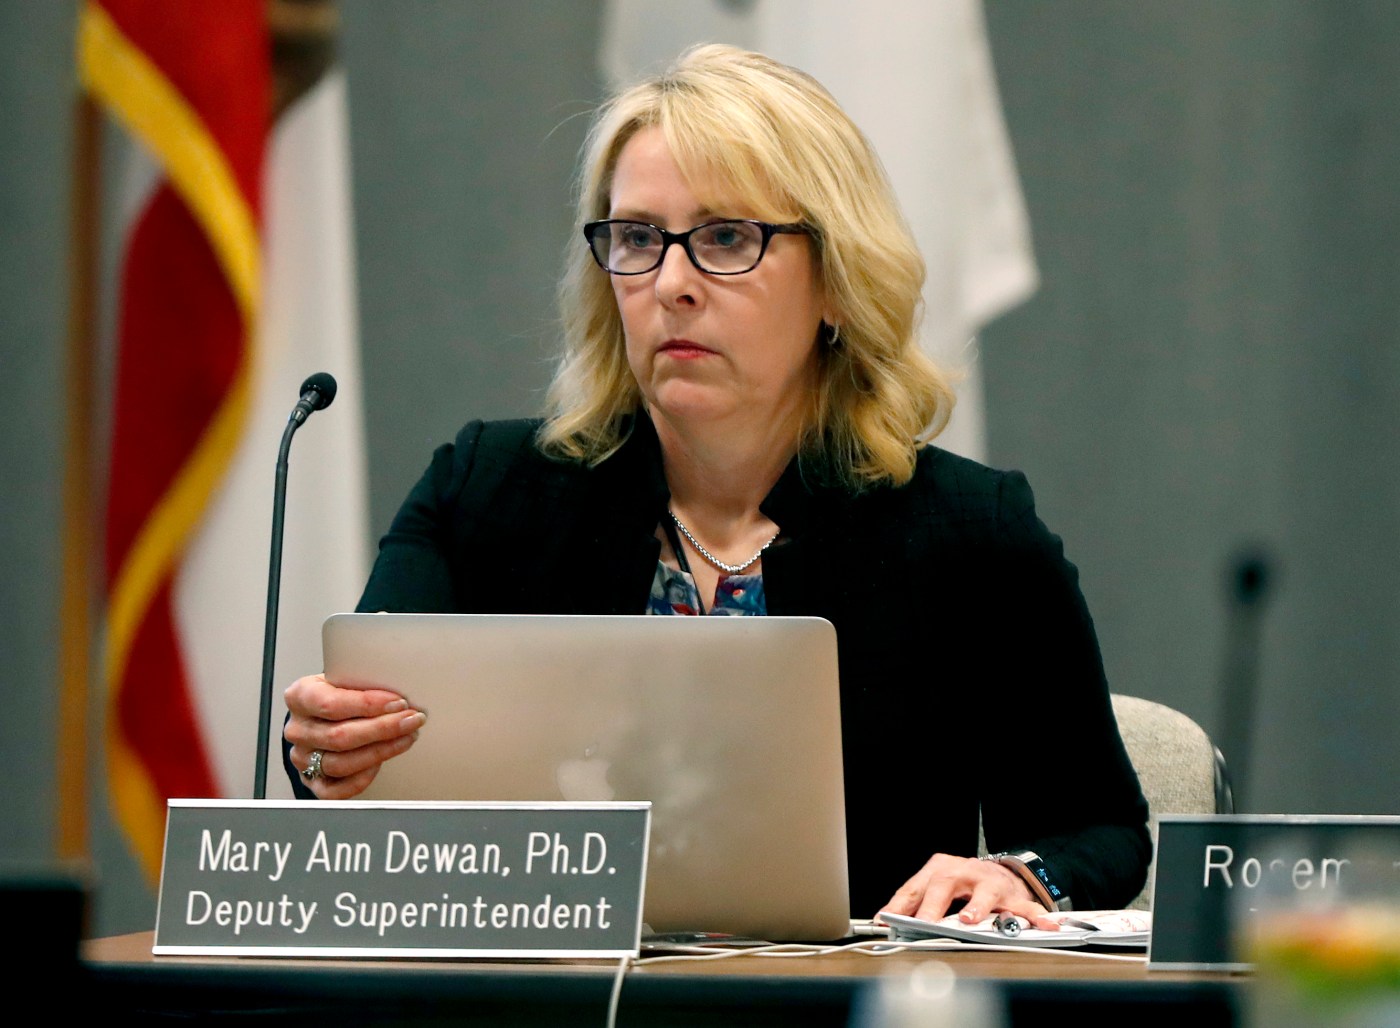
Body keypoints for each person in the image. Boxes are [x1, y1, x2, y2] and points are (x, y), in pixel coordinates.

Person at [284, 44, 1150, 925]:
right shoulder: (483, 491)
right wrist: (325, 751)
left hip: (848, 992)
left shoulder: (969, 531)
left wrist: (1018, 876)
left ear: (837, 281)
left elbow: (1102, 828)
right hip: (549, 982)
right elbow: (356, 759)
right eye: (636, 238)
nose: (671, 284)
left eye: (726, 237)